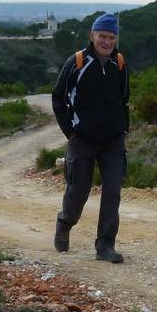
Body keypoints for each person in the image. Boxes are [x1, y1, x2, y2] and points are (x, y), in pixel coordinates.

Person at [51, 13, 130, 263]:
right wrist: (71, 132)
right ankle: (65, 223)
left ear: (116, 38)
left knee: (113, 191)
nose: (107, 41)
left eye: (111, 37)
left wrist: (123, 128)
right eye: (102, 36)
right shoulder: (76, 62)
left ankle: (105, 246)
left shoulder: (119, 63)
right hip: (82, 140)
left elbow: (124, 99)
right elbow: (58, 98)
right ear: (92, 36)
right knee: (78, 191)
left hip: (113, 141)